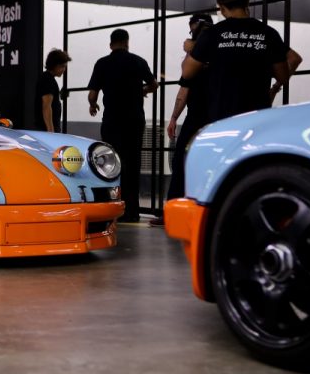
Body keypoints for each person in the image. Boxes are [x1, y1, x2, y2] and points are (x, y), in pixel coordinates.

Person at [182, 0, 299, 123]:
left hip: (221, 117)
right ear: (247, 3)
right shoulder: (269, 33)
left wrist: (192, 49)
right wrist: (273, 87)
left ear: (221, 7)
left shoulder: (212, 34)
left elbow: (187, 73)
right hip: (257, 116)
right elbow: (283, 76)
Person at [88, 28, 158, 223]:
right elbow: (154, 85)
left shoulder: (102, 63)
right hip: (134, 121)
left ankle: (113, 209)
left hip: (112, 121)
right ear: (127, 42)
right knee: (133, 163)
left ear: (111, 44)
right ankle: (132, 211)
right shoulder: (138, 61)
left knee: (110, 164)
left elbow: (92, 95)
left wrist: (93, 105)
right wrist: (142, 90)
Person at [150, 13, 213, 227]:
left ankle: (180, 213)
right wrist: (174, 118)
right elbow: (184, 88)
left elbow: (185, 85)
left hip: (203, 117)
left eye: (193, 29)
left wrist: (174, 118)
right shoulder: (214, 53)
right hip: (212, 117)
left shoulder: (199, 55)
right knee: (189, 163)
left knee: (184, 163)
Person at [35, 48, 71, 132]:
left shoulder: (48, 79)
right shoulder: (48, 80)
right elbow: (46, 106)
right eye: (62, 66)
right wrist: (50, 130)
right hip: (46, 129)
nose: (64, 70)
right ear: (55, 65)